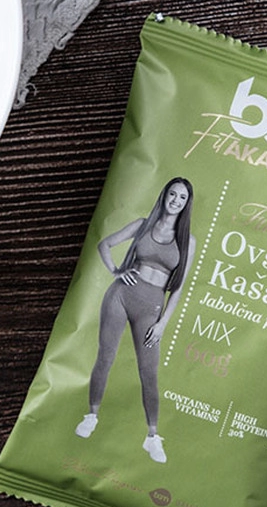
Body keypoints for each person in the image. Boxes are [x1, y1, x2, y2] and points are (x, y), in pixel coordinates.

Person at [75, 177, 196, 463]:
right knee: (105, 356)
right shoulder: (143, 225)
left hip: (151, 308)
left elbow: (178, 288)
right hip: (120, 296)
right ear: (164, 195)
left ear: (186, 204)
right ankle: (91, 416)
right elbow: (105, 244)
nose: (176, 200)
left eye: (182, 198)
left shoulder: (187, 241)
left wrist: (162, 324)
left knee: (148, 372)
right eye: (172, 194)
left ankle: (152, 437)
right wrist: (116, 271)